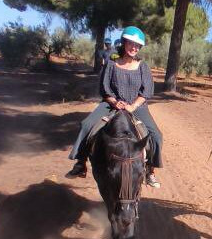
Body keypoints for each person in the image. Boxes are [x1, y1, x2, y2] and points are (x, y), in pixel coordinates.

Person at [66, 26, 163, 187]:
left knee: (157, 136)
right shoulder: (111, 64)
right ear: (124, 43)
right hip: (111, 104)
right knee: (86, 125)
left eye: (137, 45)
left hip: (137, 106)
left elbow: (146, 92)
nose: (134, 48)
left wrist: (132, 106)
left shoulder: (143, 67)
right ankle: (80, 163)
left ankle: (150, 170)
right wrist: (114, 102)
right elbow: (105, 88)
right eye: (131, 43)